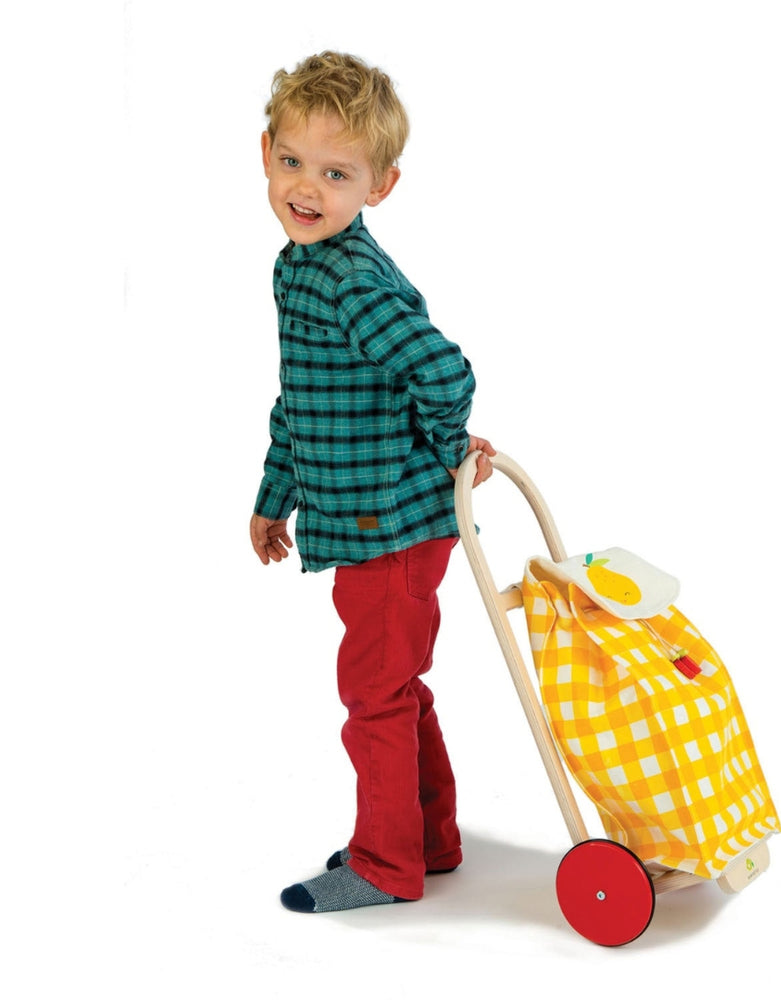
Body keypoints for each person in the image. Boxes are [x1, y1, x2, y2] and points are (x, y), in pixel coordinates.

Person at [249, 51, 495, 913]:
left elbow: (443, 369)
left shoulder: (348, 281)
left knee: (373, 696)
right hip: (368, 520)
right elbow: (304, 398)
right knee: (395, 686)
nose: (306, 189)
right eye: (292, 162)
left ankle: (386, 865)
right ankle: (428, 837)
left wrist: (451, 444)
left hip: (389, 528)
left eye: (336, 173)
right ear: (265, 149)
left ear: (380, 185)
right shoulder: (300, 266)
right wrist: (274, 493)